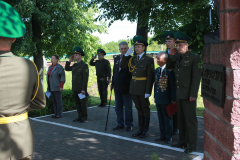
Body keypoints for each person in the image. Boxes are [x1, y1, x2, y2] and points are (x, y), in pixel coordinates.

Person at [0, 1, 46, 160]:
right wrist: (18, 109)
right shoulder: (29, 66)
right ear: (14, 38)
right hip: (22, 142)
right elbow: (40, 103)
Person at [166, 31, 201, 153]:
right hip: (179, 93)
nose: (178, 47)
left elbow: (196, 78)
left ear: (187, 45)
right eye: (177, 45)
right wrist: (171, 55)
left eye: (180, 45)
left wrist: (193, 94)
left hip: (188, 94)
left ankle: (192, 145)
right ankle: (182, 142)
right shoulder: (177, 57)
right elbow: (169, 67)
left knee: (190, 120)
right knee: (181, 119)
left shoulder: (194, 57)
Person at [120, 35, 155, 138]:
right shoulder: (133, 59)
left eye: (139, 46)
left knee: (145, 109)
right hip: (134, 88)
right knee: (139, 109)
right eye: (135, 46)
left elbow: (150, 76)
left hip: (143, 88)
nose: (136, 48)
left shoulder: (148, 60)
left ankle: (145, 130)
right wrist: (126, 55)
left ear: (144, 47)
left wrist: (148, 91)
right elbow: (122, 65)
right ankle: (140, 129)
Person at [154, 52, 176, 144]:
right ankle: (162, 135)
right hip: (159, 98)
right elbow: (156, 85)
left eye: (159, 59)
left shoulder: (170, 71)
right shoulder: (157, 70)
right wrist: (155, 96)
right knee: (160, 118)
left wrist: (173, 99)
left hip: (167, 99)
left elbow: (173, 86)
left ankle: (168, 136)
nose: (157, 60)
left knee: (167, 118)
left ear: (165, 60)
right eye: (157, 58)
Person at [111, 41, 133, 131]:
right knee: (118, 107)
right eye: (121, 49)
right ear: (119, 49)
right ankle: (120, 124)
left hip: (127, 87)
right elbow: (115, 73)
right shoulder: (116, 59)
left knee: (128, 108)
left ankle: (129, 124)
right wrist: (112, 83)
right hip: (117, 87)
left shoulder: (131, 59)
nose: (123, 50)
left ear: (127, 49)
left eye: (125, 48)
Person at [65, 47, 89, 123]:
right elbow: (67, 68)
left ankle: (84, 117)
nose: (74, 56)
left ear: (80, 56)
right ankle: (79, 116)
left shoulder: (84, 65)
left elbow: (85, 79)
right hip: (75, 88)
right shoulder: (75, 65)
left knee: (82, 103)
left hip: (81, 89)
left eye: (76, 55)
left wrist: (83, 89)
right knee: (77, 103)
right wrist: (69, 61)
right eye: (74, 55)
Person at [164, 30, 179, 135]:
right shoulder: (165, 53)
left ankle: (176, 127)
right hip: (166, 82)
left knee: (175, 106)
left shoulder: (177, 53)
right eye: (166, 41)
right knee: (168, 105)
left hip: (175, 82)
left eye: (170, 41)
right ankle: (170, 127)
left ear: (174, 42)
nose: (167, 43)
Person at [47, 54, 65, 119]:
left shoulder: (59, 67)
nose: (51, 59)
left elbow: (62, 76)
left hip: (57, 86)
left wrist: (61, 86)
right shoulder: (50, 67)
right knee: (54, 101)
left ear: (57, 60)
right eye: (51, 58)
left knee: (58, 101)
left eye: (53, 58)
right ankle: (55, 113)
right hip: (51, 87)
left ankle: (59, 114)